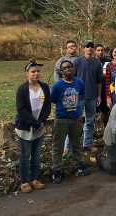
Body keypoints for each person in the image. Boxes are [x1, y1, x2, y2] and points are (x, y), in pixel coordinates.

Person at [50, 60, 90, 184]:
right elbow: (53, 99)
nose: (67, 69)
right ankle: (57, 170)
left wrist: (79, 111)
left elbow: (82, 96)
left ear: (73, 69)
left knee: (76, 144)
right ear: (62, 71)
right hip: (62, 119)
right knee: (58, 146)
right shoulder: (58, 85)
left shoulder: (79, 82)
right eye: (64, 68)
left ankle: (78, 164)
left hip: (76, 118)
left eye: (69, 67)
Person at [15, 59, 51, 193]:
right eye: (33, 72)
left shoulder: (44, 87)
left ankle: (35, 179)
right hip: (25, 127)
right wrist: (35, 123)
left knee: (36, 155)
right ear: (27, 73)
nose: (36, 74)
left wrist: (41, 122)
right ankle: (24, 181)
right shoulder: (22, 89)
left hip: (39, 127)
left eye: (38, 71)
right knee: (25, 155)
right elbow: (21, 109)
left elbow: (47, 106)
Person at [71, 41, 103, 150]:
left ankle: (87, 144)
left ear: (93, 49)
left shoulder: (97, 63)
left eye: (91, 46)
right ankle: (69, 147)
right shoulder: (77, 62)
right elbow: (71, 79)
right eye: (87, 46)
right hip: (79, 97)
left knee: (89, 122)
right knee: (75, 122)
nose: (89, 48)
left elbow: (99, 81)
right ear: (84, 48)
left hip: (92, 96)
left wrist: (99, 96)